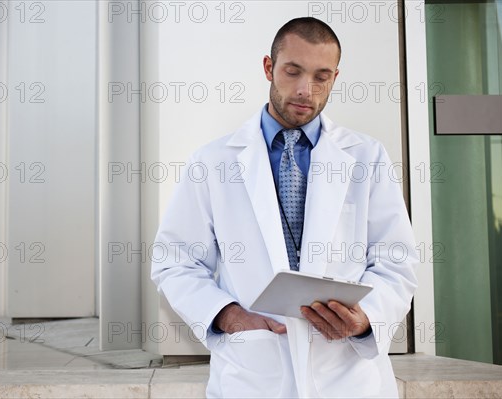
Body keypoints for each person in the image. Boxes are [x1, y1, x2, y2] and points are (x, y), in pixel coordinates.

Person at [151, 17, 418, 398]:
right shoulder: (212, 161)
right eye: (293, 72)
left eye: (321, 77)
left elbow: (396, 260)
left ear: (335, 77)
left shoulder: (366, 157)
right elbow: (174, 261)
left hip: (347, 375)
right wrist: (228, 317)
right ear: (268, 68)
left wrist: (366, 318)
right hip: (254, 374)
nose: (306, 90)